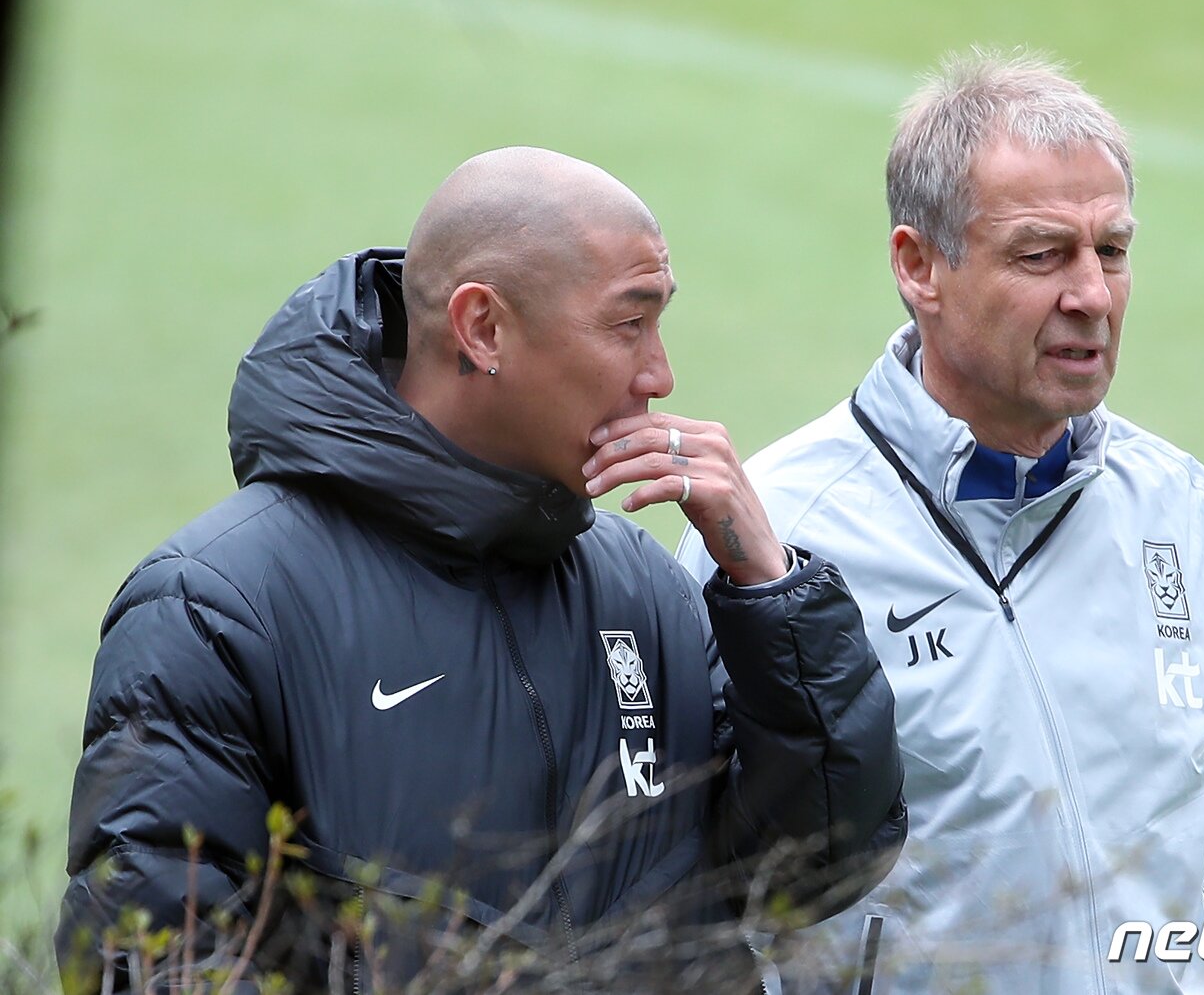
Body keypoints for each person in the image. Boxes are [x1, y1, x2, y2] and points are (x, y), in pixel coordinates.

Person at [56, 147, 906, 994]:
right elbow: (151, 968)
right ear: (484, 329)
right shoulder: (217, 609)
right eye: (628, 323)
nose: (661, 373)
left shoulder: (644, 590)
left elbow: (816, 872)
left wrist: (769, 588)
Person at [678, 50, 1204, 994]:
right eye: (1041, 254)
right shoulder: (779, 532)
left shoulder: (1191, 514)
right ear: (920, 266)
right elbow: (712, 906)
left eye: (1112, 250)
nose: (1091, 295)